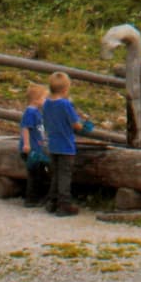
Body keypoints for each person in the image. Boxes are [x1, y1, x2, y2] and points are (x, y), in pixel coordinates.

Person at [40, 71, 91, 215]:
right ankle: (64, 204)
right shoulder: (65, 104)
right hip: (66, 145)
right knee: (64, 175)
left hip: (52, 144)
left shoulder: (47, 104)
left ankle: (52, 201)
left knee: (55, 174)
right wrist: (85, 127)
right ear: (65, 89)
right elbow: (76, 124)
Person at [18, 83, 50, 208]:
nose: (45, 101)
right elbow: (25, 128)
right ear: (37, 100)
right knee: (34, 174)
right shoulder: (30, 112)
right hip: (31, 150)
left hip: (37, 148)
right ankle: (31, 199)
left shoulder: (36, 112)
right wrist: (26, 144)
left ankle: (37, 196)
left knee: (39, 171)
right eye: (44, 98)